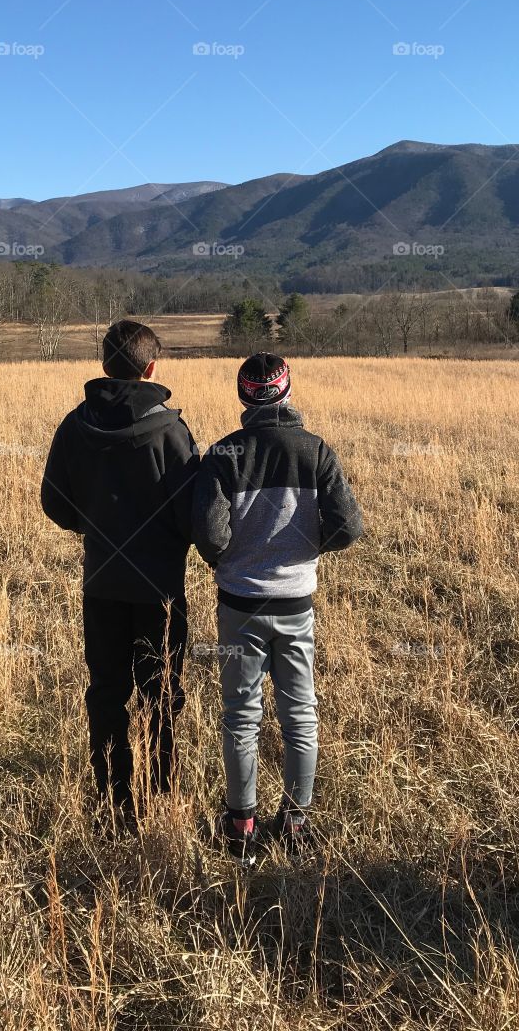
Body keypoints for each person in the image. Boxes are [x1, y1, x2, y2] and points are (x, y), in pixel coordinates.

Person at [192, 352, 363, 866]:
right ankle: (295, 821)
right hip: (296, 604)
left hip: (239, 604)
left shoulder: (223, 454)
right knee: (300, 714)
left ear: (243, 396)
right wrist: (306, 549)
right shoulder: (316, 450)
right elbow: (348, 526)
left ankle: (240, 826)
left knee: (241, 715)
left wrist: (229, 559)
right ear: (286, 391)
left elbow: (209, 533)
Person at [41, 320, 198, 817]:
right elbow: (193, 513)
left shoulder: (74, 425)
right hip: (160, 590)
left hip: (101, 583)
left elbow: (55, 502)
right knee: (161, 693)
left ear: (104, 365)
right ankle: (160, 792)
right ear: (151, 369)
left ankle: (113, 797)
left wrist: (95, 526)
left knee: (107, 693)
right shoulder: (170, 432)